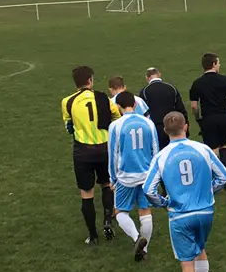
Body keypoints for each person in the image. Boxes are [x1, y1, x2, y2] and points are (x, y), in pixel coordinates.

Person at [144, 112, 226, 272]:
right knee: (200, 249)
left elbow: (149, 190)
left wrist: (164, 203)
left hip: (180, 215)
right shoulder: (202, 149)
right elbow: (224, 177)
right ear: (187, 126)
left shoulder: (162, 156)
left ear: (165, 131)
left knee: (186, 261)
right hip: (205, 212)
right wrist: (209, 191)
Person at [62, 65, 122, 245]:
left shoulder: (67, 101)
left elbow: (68, 127)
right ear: (90, 80)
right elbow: (117, 118)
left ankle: (93, 236)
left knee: (86, 193)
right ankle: (107, 221)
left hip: (83, 151)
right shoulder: (103, 98)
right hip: (104, 149)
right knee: (107, 184)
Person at [107, 91, 158, 261]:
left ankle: (137, 239)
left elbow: (112, 154)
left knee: (120, 211)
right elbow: (155, 151)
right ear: (135, 105)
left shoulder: (115, 126)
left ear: (118, 107)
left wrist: (112, 178)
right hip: (146, 176)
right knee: (145, 211)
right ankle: (145, 250)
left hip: (125, 177)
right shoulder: (148, 124)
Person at [189, 52, 226, 187]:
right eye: (218, 63)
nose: (220, 65)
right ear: (214, 64)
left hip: (208, 119)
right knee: (224, 145)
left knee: (213, 150)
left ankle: (217, 177)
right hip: (224, 117)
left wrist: (198, 118)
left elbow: (194, 106)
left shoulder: (197, 83)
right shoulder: (225, 80)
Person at [139, 67, 187, 150]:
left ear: (147, 78)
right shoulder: (171, 88)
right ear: (159, 75)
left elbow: (143, 113)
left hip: (155, 128)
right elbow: (181, 109)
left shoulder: (144, 92)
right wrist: (185, 125)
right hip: (173, 126)